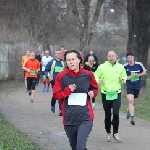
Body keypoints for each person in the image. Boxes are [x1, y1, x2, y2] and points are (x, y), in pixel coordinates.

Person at [53, 49, 98, 150]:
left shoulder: (88, 75)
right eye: (68, 60)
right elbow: (56, 95)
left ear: (79, 60)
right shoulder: (62, 76)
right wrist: (68, 90)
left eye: (73, 59)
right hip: (69, 119)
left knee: (80, 147)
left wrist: (93, 93)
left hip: (85, 117)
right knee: (75, 147)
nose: (71, 62)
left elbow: (95, 89)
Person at [94, 51, 127, 142]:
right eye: (109, 56)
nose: (111, 57)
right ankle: (108, 132)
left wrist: (122, 79)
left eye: (113, 56)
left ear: (116, 57)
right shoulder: (102, 67)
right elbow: (95, 76)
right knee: (108, 115)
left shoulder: (120, 67)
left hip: (116, 93)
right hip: (106, 93)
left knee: (116, 113)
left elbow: (124, 76)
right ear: (107, 57)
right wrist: (99, 80)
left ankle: (115, 133)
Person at [124, 52, 147, 125]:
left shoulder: (139, 64)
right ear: (127, 59)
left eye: (131, 57)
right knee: (130, 100)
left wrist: (139, 74)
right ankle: (132, 118)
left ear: (133, 57)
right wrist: (128, 78)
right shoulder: (124, 66)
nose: (130, 58)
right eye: (129, 57)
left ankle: (129, 110)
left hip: (137, 85)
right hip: (129, 85)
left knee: (133, 102)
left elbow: (145, 72)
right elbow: (121, 76)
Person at [45, 50, 65, 116]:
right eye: (57, 53)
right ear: (55, 54)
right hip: (54, 81)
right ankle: (53, 104)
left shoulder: (63, 62)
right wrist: (49, 76)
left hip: (62, 81)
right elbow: (46, 70)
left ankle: (61, 110)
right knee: (56, 94)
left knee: (60, 94)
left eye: (59, 53)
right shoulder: (51, 62)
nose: (58, 54)